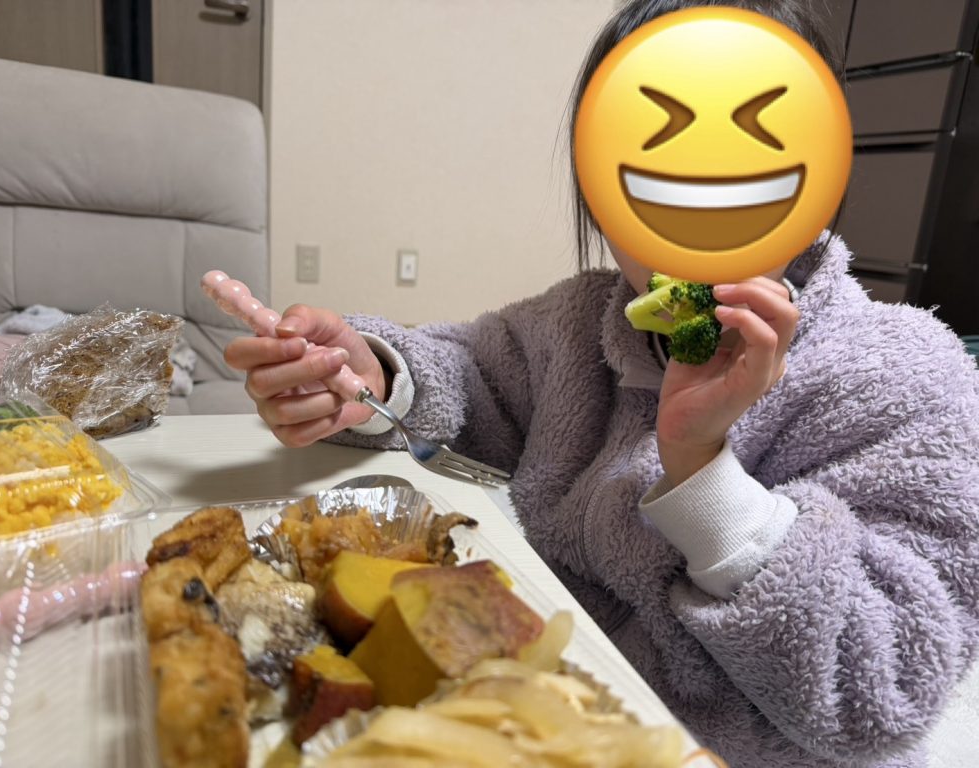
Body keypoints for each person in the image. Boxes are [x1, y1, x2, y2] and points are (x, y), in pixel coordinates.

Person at [224, 1, 979, 765]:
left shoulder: (905, 376)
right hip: (554, 721)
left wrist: (704, 473)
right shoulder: (579, 324)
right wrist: (375, 374)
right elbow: (469, 376)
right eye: (656, 162)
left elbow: (885, 691)